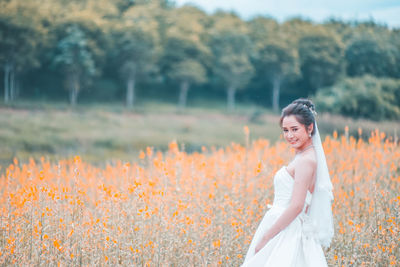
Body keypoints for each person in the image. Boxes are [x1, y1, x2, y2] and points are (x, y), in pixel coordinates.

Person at [241, 98, 334, 267]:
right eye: (285, 130)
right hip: (284, 224)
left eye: (294, 129)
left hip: (287, 231)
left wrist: (266, 238)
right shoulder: (304, 155)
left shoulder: (306, 160)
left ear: (310, 128)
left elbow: (297, 206)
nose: (289, 135)